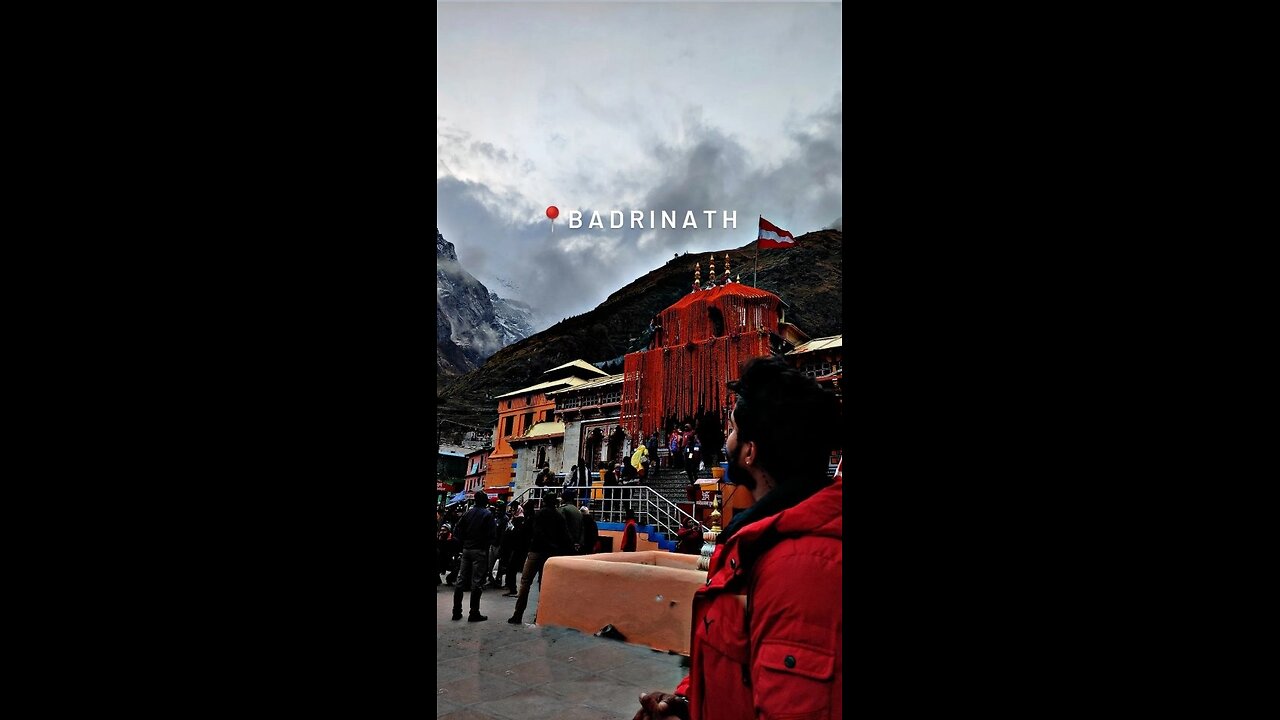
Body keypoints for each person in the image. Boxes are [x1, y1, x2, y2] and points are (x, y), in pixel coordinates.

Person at [632, 355, 842, 720]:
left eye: (731, 430)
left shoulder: (805, 569)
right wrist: (689, 703)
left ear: (750, 451)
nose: (725, 440)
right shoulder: (757, 545)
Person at [508, 495, 574, 625]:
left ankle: (518, 614)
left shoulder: (539, 515)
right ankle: (539, 616)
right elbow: (565, 536)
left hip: (535, 550)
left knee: (525, 583)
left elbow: (533, 531)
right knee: (543, 586)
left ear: (543, 502)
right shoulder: (559, 516)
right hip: (550, 555)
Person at [451, 490, 496, 622]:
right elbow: (492, 536)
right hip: (479, 550)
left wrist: (463, 542)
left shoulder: (468, 513)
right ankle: (474, 612)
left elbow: (457, 530)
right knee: (476, 582)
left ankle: (456, 611)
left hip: (467, 549)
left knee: (461, 580)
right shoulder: (487, 515)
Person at [560, 489, 584, 554]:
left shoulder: (563, 509)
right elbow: (582, 529)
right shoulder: (577, 511)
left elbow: (563, 527)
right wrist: (578, 543)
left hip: (565, 544)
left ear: (564, 499)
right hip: (576, 544)